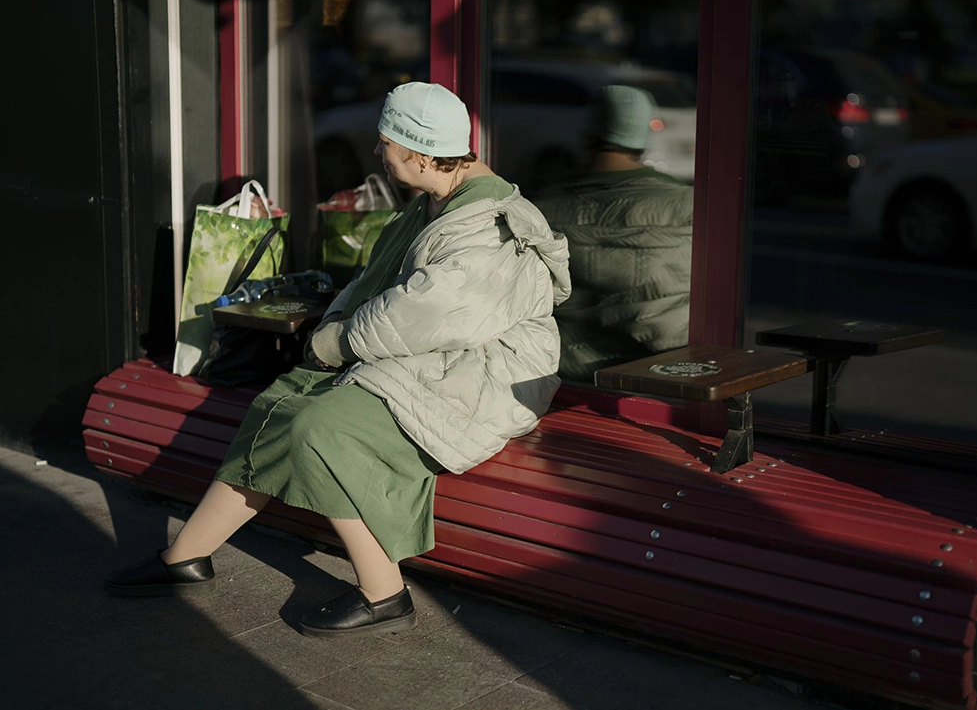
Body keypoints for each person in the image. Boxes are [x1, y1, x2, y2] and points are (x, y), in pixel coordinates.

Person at [105, 82, 571, 639]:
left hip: (483, 380)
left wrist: (336, 343)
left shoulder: (492, 229)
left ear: (422, 154)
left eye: (387, 143)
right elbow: (371, 283)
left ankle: (384, 592)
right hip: (433, 359)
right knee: (277, 403)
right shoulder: (433, 201)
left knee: (316, 427)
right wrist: (333, 329)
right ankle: (186, 555)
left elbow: (422, 314)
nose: (378, 153)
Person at [535, 85, 693, 382]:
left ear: (588, 133)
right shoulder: (687, 205)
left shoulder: (544, 208)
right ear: (643, 138)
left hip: (561, 374)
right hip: (663, 372)